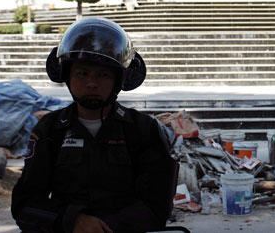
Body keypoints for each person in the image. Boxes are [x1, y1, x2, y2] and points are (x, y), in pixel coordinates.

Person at [12, 17, 174, 233]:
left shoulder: (144, 130)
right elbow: (25, 205)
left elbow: (158, 206)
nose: (91, 83)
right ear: (67, 76)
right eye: (82, 73)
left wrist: (106, 228)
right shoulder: (49, 130)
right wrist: (73, 221)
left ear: (119, 80)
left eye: (103, 74)